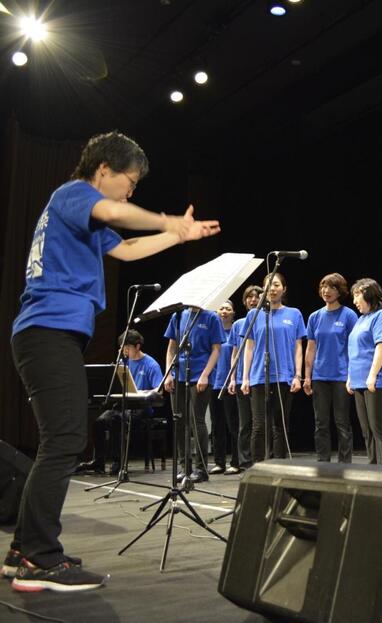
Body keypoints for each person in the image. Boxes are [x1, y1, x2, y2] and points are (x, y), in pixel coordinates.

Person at [6, 130, 219, 591]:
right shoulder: (74, 194)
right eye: (130, 179)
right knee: (64, 439)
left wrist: (176, 236)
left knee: (59, 439)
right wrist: (166, 219)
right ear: (103, 170)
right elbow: (115, 211)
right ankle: (39, 559)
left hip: (48, 334)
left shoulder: (85, 219)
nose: (131, 190)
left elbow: (126, 248)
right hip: (46, 332)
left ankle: (25, 548)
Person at [75, 330, 163, 476]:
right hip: (123, 405)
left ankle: (118, 462)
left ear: (138, 346)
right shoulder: (123, 362)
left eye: (127, 347)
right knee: (99, 422)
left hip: (141, 407)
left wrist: (143, 392)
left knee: (117, 419)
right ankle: (98, 461)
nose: (124, 350)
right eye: (123, 347)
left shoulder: (151, 364)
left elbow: (159, 390)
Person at [240, 273, 304, 462]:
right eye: (269, 285)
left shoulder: (294, 314)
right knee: (258, 426)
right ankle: (257, 468)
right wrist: (245, 378)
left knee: (280, 426)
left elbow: (298, 346)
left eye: (276, 285)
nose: (273, 289)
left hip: (284, 377)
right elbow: (249, 348)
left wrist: (297, 375)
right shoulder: (254, 314)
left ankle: (279, 467)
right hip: (259, 376)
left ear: (284, 289)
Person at [164, 306, 225, 483]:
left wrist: (206, 374)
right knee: (179, 420)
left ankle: (201, 468)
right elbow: (171, 347)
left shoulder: (211, 317)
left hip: (200, 373)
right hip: (179, 374)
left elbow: (216, 349)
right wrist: (168, 373)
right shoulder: (178, 316)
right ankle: (185, 468)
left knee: (196, 420)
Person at [303, 273, 357, 463]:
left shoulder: (349, 315)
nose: (326, 291)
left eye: (332, 287)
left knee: (342, 422)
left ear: (340, 291)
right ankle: (323, 461)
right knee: (321, 423)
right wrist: (307, 376)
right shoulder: (315, 317)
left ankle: (345, 463)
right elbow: (310, 348)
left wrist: (352, 375)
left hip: (341, 376)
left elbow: (353, 347)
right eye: (324, 286)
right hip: (320, 377)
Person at [347, 278, 382, 464]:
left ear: (368, 293)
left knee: (380, 430)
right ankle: (373, 470)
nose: (354, 302)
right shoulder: (361, 319)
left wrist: (373, 374)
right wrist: (350, 377)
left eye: (356, 296)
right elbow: (356, 349)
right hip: (359, 381)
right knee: (367, 431)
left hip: (378, 381)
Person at [227, 285, 261, 470]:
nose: (253, 300)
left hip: (260, 377)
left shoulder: (265, 318)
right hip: (242, 378)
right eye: (249, 297)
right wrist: (232, 378)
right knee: (244, 422)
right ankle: (244, 461)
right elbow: (235, 353)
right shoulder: (239, 324)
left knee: (261, 422)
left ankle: (262, 459)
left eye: (256, 297)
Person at [209, 300, 240, 474]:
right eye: (221, 308)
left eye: (228, 308)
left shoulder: (236, 331)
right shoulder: (213, 332)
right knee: (216, 424)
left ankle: (235, 461)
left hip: (230, 384)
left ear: (233, 312)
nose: (224, 311)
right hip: (214, 382)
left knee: (233, 424)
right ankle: (219, 462)